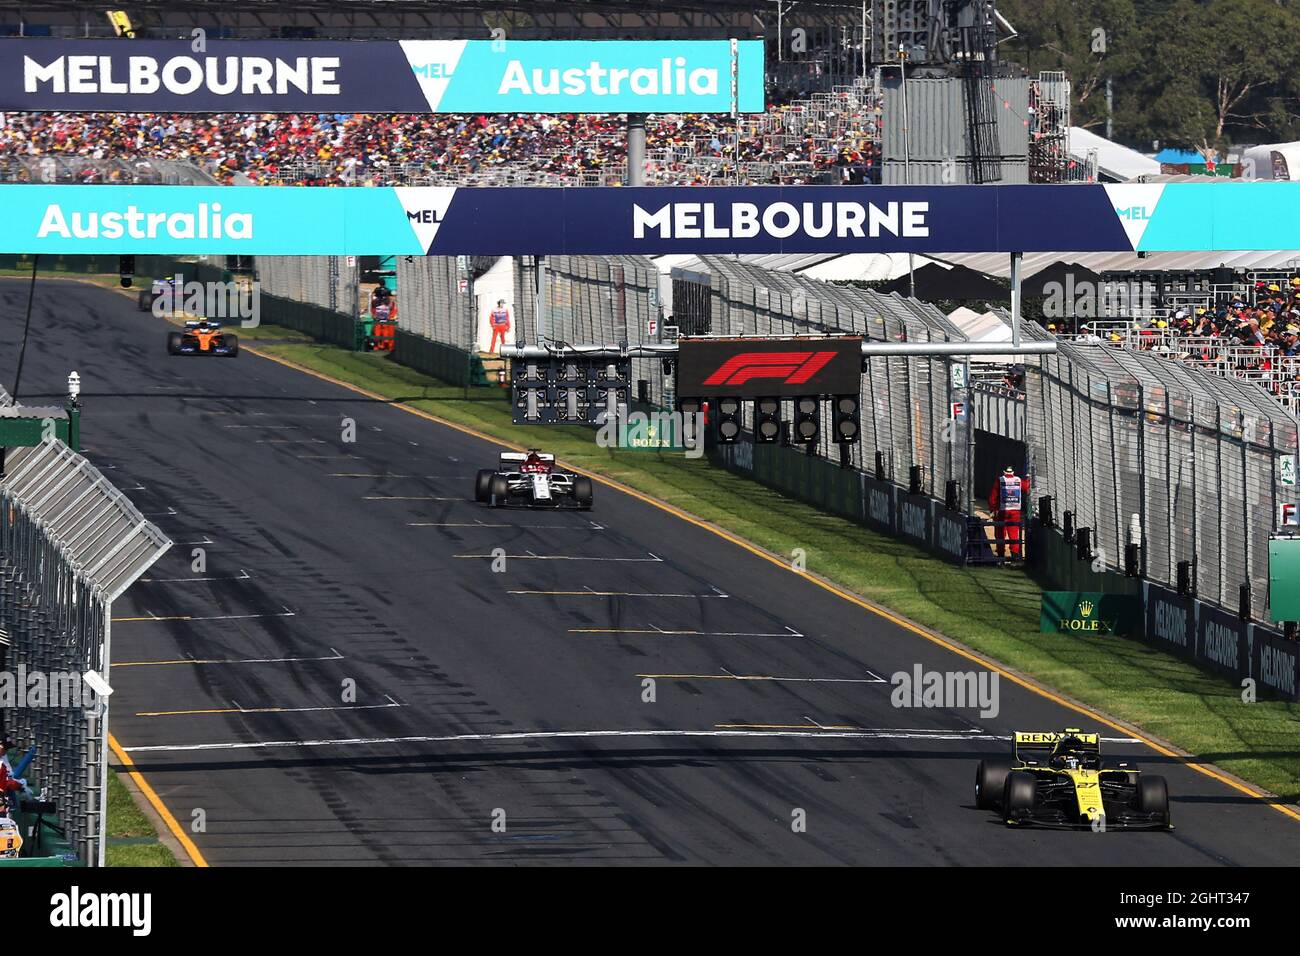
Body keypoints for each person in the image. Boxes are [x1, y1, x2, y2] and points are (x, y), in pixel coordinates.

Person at [988, 465, 1029, 559]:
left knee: (1000, 534)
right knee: (1014, 533)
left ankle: (1001, 555)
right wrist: (1028, 478)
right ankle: (1015, 555)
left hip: (1002, 511)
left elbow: (992, 498)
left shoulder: (1000, 480)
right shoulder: (1018, 480)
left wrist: (992, 509)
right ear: (1013, 472)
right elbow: (1027, 487)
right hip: (1015, 512)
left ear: (1004, 472)